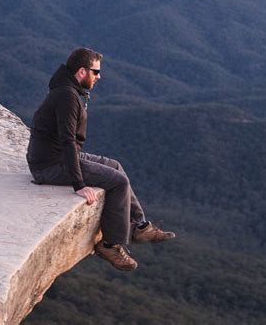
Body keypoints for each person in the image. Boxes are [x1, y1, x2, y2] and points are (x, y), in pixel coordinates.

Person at [26, 47, 175, 271]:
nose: (99, 76)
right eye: (95, 72)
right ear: (81, 72)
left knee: (115, 166)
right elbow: (67, 140)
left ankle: (139, 226)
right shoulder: (67, 96)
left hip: (58, 156)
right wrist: (78, 184)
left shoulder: (68, 90)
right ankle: (109, 245)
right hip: (51, 164)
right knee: (118, 181)